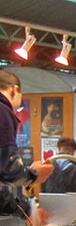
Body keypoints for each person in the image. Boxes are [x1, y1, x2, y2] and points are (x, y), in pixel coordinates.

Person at [0, 69, 53, 216]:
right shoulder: (3, 111)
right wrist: (34, 175)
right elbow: (7, 171)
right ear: (14, 90)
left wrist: (27, 211)